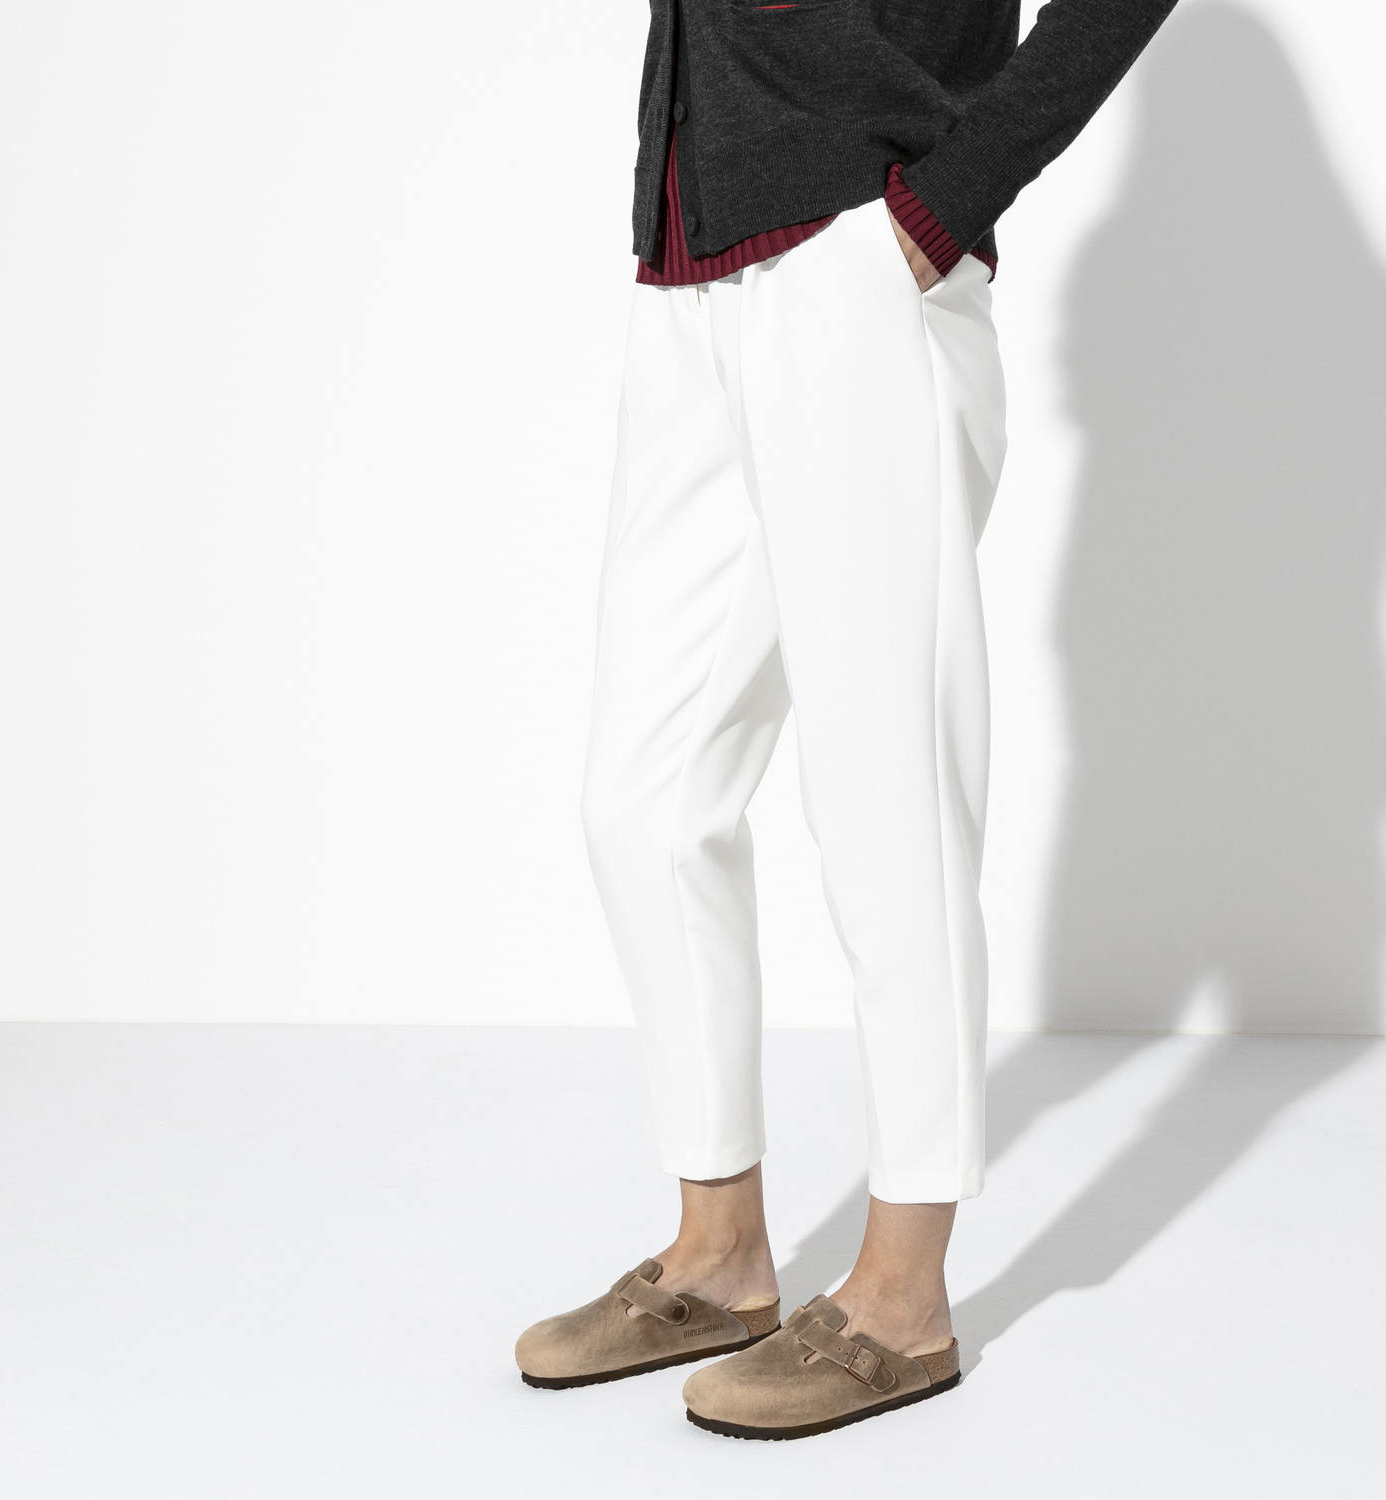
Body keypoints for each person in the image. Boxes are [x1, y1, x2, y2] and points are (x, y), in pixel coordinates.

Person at [515, 0, 1178, 1440]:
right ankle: (718, 1256)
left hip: (857, 261)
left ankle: (902, 1300)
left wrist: (945, 203)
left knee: (889, 801)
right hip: (694, 255)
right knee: (645, 800)